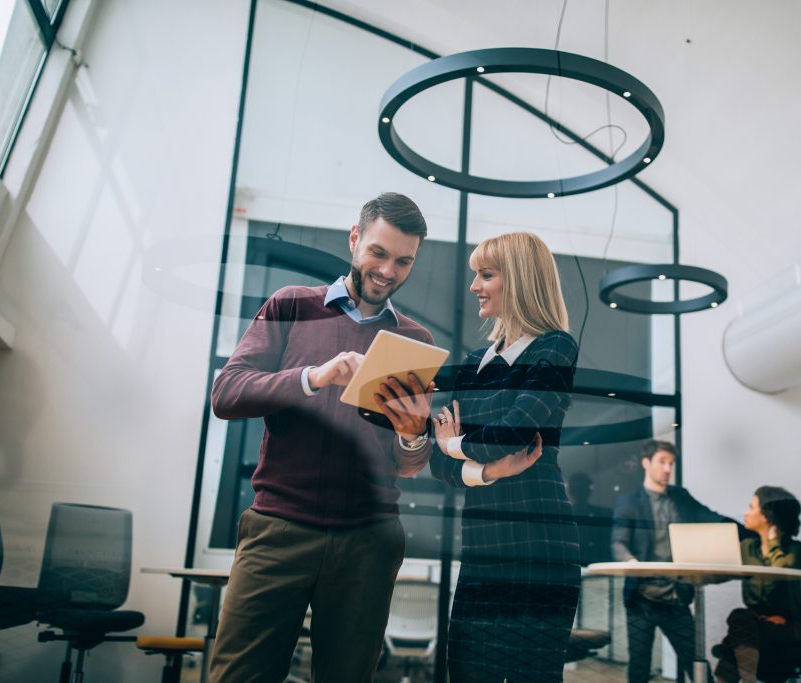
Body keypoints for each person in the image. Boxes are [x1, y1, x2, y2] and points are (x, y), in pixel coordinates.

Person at [208, 192, 436, 683]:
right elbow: (226, 393)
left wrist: (415, 435)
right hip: (279, 529)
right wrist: (314, 376)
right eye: (378, 253)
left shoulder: (414, 342)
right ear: (355, 240)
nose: (387, 271)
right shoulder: (291, 305)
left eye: (403, 261)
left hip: (369, 540)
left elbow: (408, 464)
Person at [428, 231, 581, 683]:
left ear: (519, 280)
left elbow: (512, 432)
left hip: (539, 548)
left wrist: (456, 447)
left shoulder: (555, 347)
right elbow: (440, 467)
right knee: (467, 673)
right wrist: (488, 469)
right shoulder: (475, 361)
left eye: (486, 274)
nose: (475, 285)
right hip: (482, 548)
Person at [612, 440, 740, 683]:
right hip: (641, 601)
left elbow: (710, 517)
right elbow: (618, 543)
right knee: (638, 669)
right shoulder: (629, 502)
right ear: (646, 463)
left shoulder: (680, 497)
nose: (668, 469)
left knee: (696, 664)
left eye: (671, 463)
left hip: (675, 599)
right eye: (662, 462)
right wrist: (634, 564)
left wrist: (745, 532)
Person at [715, 487, 801, 683]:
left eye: (751, 507)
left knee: (734, 639)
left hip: (787, 623)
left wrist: (773, 543)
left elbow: (778, 575)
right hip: (754, 621)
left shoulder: (795, 549)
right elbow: (723, 571)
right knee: (741, 617)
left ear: (766, 516)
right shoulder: (747, 547)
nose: (746, 513)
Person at [568, 472, 613, 565]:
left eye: (582, 487)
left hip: (600, 566)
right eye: (578, 488)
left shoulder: (605, 513)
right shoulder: (565, 515)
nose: (580, 491)